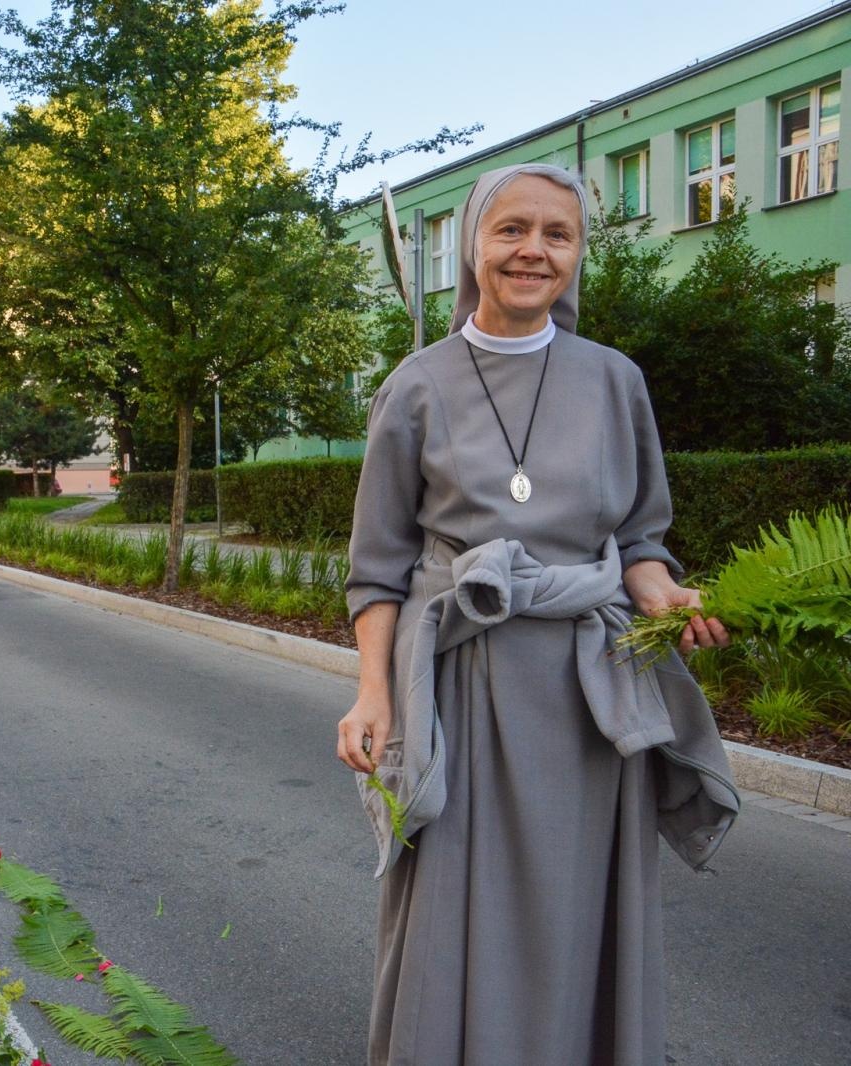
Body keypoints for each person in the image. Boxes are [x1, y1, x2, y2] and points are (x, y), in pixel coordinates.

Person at [337, 163, 740, 1066]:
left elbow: (640, 535)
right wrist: (374, 695)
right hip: (465, 684)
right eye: (511, 230)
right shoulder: (417, 385)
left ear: (578, 255)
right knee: (454, 907)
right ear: (473, 248)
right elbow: (378, 569)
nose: (532, 251)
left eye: (556, 235)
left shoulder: (614, 380)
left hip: (589, 693)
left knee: (574, 907)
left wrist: (659, 592)